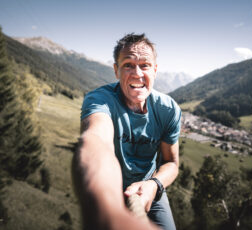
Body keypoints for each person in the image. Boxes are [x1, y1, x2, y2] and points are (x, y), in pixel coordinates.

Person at [72, 33, 181, 230]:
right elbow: (96, 141)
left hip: (150, 189)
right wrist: (108, 210)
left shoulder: (168, 109)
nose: (137, 73)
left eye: (145, 65)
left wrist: (153, 185)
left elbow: (171, 162)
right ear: (116, 70)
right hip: (109, 190)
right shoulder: (100, 100)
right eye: (128, 64)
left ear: (155, 70)